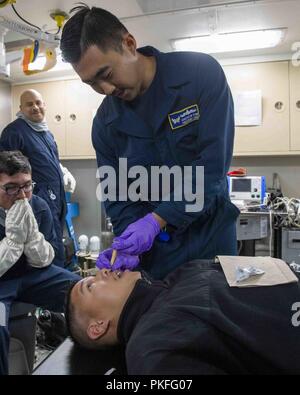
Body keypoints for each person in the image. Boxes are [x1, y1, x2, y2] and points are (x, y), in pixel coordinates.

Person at [60, 6, 240, 279]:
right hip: (157, 253)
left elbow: (212, 169)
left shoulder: (200, 74)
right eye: (92, 83)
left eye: (106, 74)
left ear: (129, 44)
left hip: (210, 236)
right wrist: (127, 243)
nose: (105, 90)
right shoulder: (105, 124)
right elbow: (118, 197)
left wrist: (156, 220)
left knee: (216, 314)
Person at [66, 260, 300, 375]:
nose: (102, 272)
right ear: (98, 327)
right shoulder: (152, 349)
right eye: (90, 286)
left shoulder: (184, 272)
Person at [0, 151, 80, 375]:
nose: (22, 196)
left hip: (34, 275)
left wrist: (32, 236)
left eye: (27, 186)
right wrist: (14, 240)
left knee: (83, 292)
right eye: (11, 188)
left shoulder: (39, 206)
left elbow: (49, 258)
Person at [0, 89, 76, 267]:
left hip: (56, 201)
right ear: (21, 108)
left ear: (44, 105)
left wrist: (62, 173)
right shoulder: (14, 132)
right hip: (35, 203)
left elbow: (52, 162)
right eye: (29, 104)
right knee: (44, 252)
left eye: (38, 103)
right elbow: (6, 170)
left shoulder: (46, 133)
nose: (35, 107)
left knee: (56, 247)